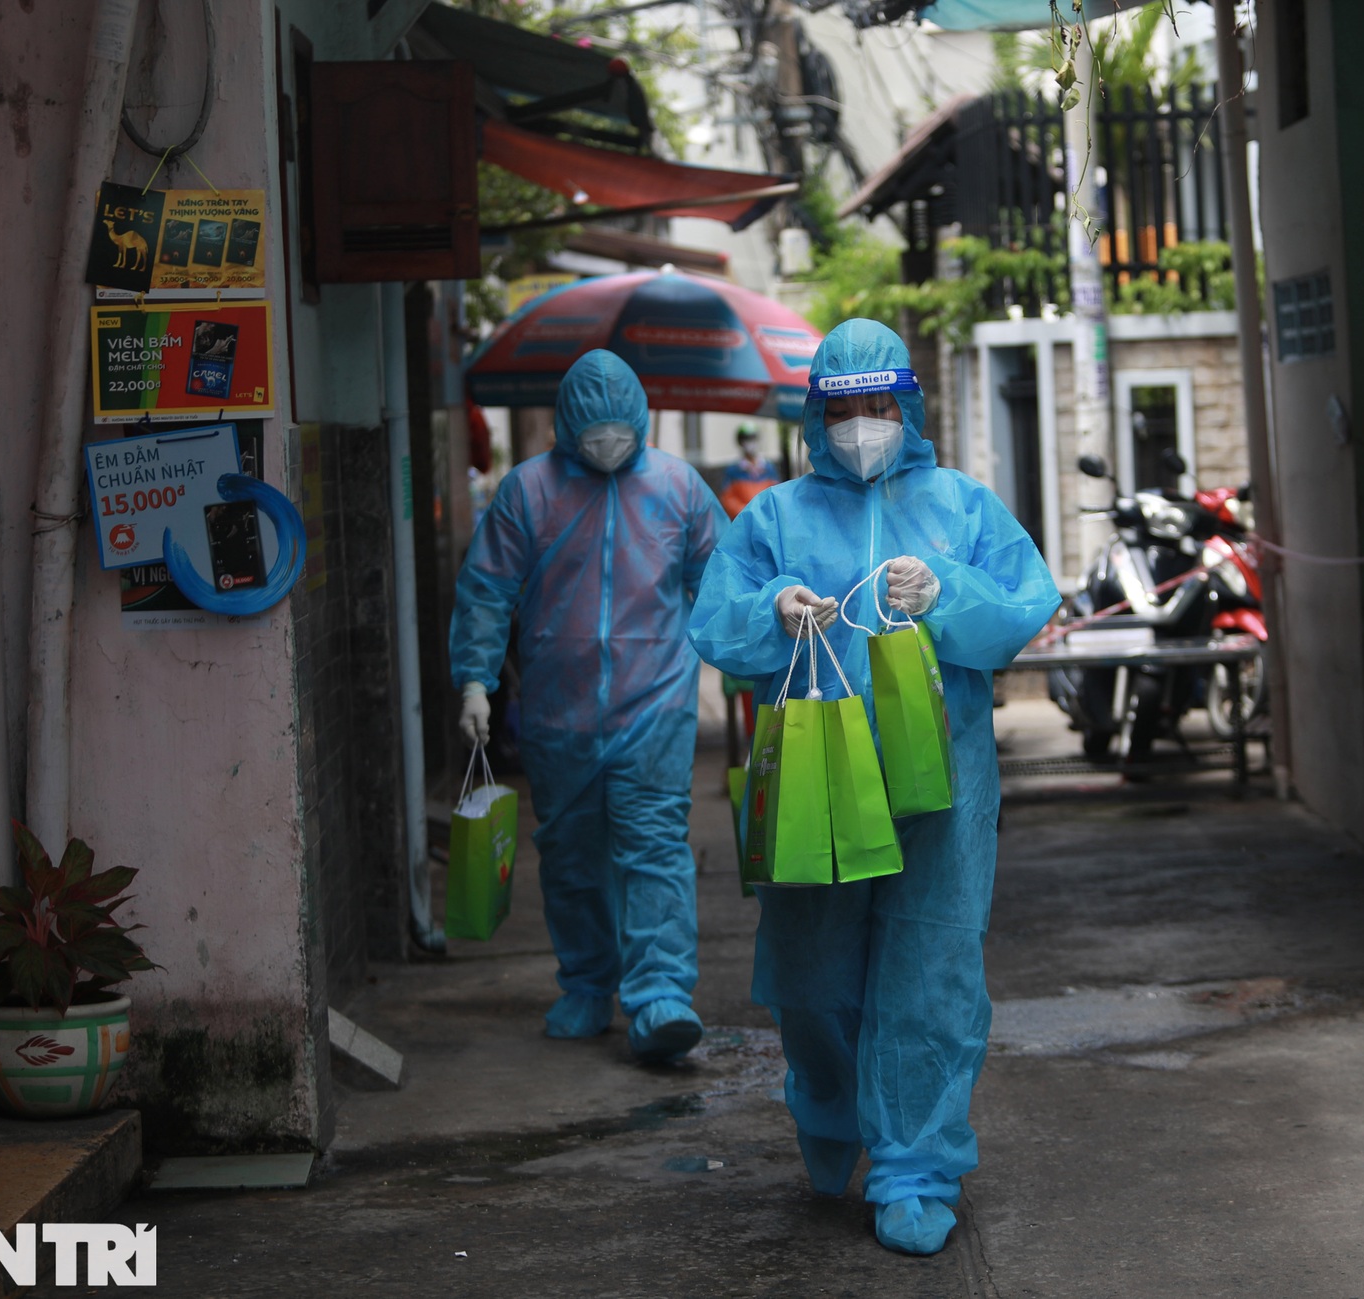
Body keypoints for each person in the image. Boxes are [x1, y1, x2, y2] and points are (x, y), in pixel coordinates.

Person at [688, 319, 1060, 1256]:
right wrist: (774, 608)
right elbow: (717, 618)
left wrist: (947, 593)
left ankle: (914, 1165)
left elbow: (1022, 606)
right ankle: (829, 1107)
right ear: (817, 415)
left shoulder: (963, 506)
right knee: (812, 977)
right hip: (818, 778)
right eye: (842, 408)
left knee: (930, 972)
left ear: (907, 407)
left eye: (875, 406)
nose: (861, 424)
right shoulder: (772, 517)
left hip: (939, 781)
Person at [451, 349, 727, 1062]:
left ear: (639, 418)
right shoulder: (528, 493)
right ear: (569, 424)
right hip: (558, 710)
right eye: (594, 427)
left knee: (655, 849)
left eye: (618, 426)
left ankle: (662, 993)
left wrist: (745, 665)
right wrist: (476, 678)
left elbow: (723, 586)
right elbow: (486, 588)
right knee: (570, 856)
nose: (608, 440)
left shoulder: (679, 488)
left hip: (656, 703)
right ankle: (584, 982)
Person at [717, 421, 780, 520]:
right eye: (746, 439)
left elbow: (776, 495)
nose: (750, 443)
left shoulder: (768, 468)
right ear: (740, 442)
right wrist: (746, 512)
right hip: (743, 521)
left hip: (767, 520)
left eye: (752, 438)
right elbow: (727, 499)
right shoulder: (733, 471)